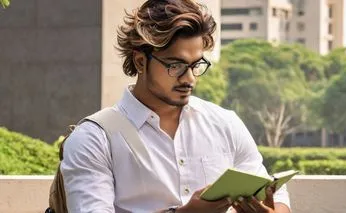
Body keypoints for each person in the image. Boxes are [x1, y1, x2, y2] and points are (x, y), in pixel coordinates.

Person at [60, 0, 292, 212]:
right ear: (141, 61)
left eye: (196, 65)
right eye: (176, 65)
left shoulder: (224, 123)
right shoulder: (94, 138)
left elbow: (274, 190)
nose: (189, 78)